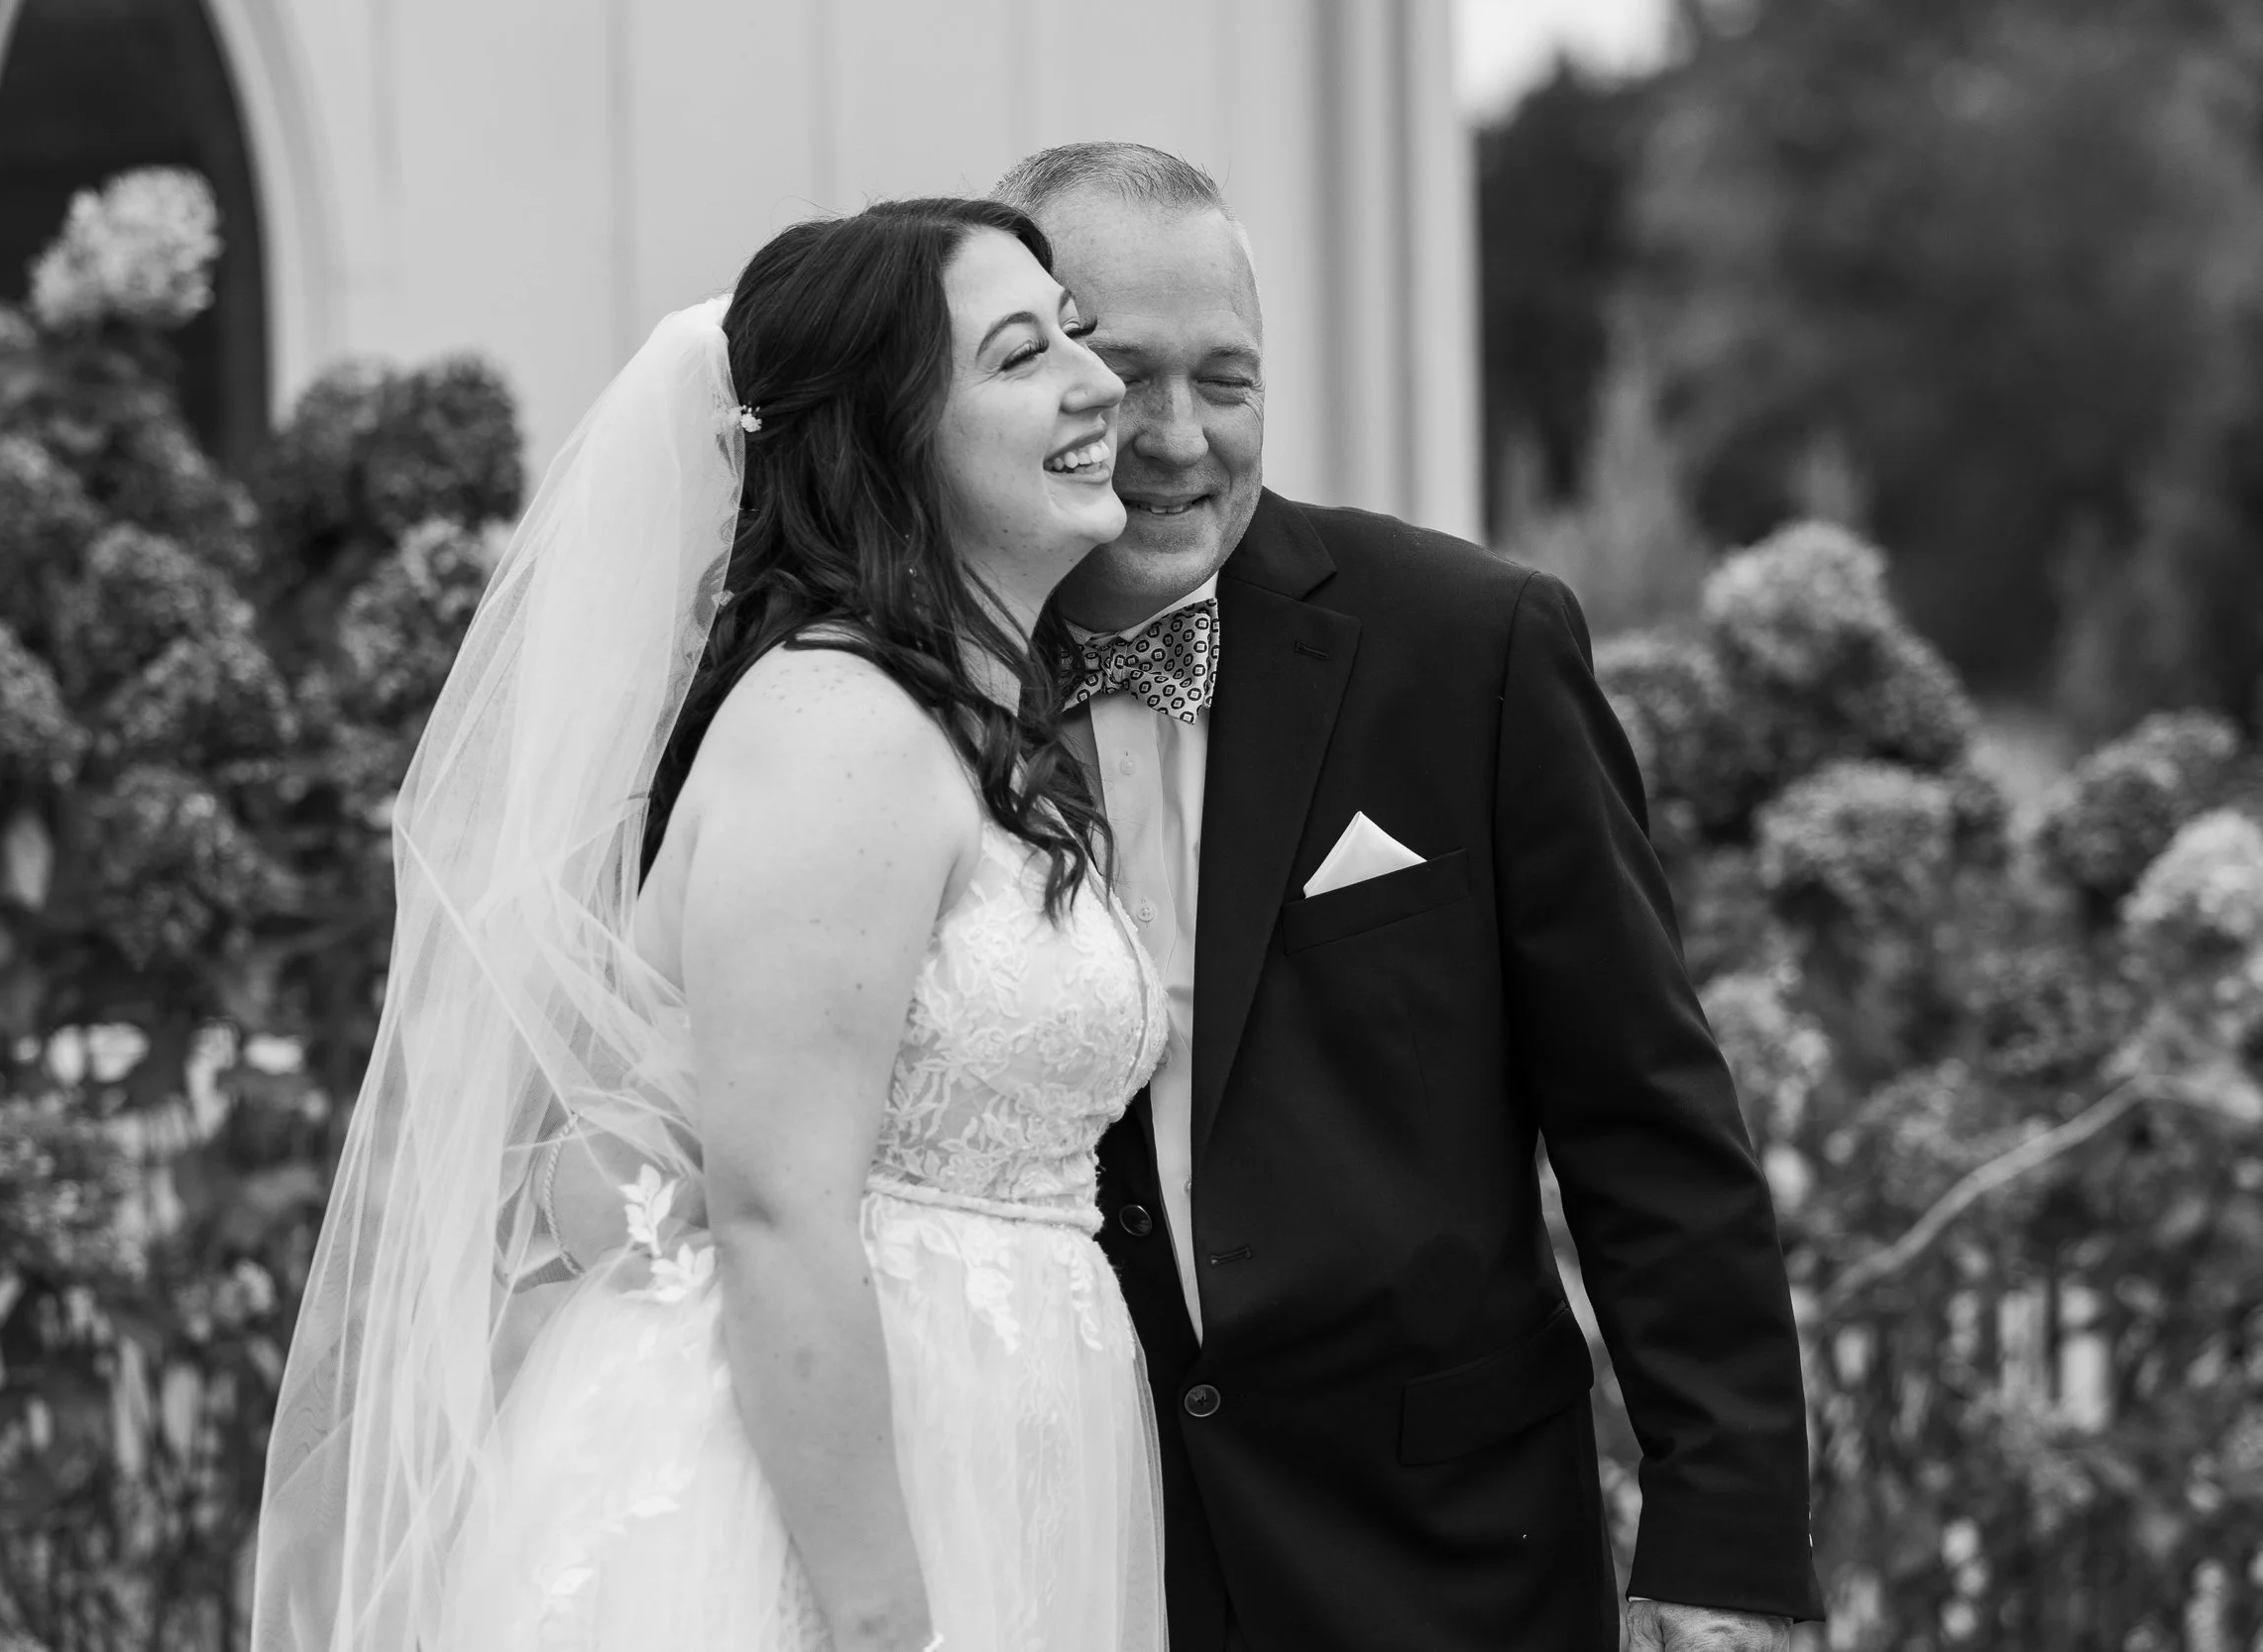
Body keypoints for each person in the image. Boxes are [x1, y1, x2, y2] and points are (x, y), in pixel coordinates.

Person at [249, 198, 1172, 1652]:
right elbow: (774, 1210)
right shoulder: (836, 730)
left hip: (990, 1464)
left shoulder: (961, 729)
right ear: (889, 434)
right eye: (1020, 354)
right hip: (809, 1524)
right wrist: (884, 1621)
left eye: (1075, 332)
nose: (1097, 381)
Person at [990, 142, 1824, 1651]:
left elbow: (1648, 1121)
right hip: (1067, 1549)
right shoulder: (904, 692)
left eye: (1226, 379)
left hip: (1442, 1560)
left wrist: (1728, 1543)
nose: (1178, 437)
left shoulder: (1470, 646)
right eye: (1125, 376)